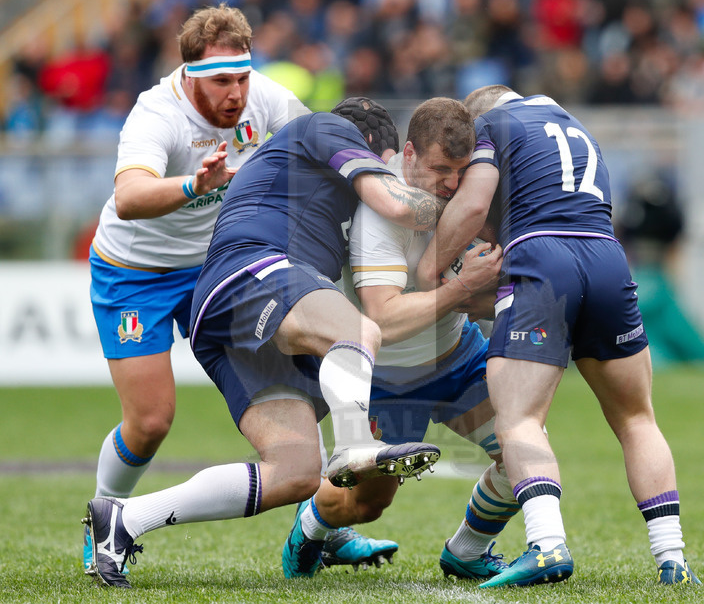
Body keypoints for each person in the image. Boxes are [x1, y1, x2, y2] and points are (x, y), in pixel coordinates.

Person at [83, 97, 444, 589]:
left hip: (239, 317)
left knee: (295, 473)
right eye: (385, 165)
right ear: (372, 150)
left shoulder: (315, 179)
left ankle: (123, 519)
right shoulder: (325, 127)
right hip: (252, 271)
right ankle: (355, 445)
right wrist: (458, 203)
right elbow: (394, 202)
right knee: (357, 331)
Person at [84, 3, 382, 577]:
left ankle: (327, 519)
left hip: (218, 269)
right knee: (150, 422)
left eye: (242, 77)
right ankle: (104, 516)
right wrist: (193, 183)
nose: (236, 93)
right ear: (188, 74)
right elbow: (129, 199)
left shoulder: (264, 97)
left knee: (297, 368)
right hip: (136, 273)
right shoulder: (155, 114)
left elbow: (315, 143)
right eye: (221, 80)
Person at [416, 85, 701, 587]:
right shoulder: (573, 126)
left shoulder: (491, 127)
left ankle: (547, 546)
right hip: (608, 258)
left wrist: (429, 269)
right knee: (637, 418)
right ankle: (672, 559)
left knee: (519, 418)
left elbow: (475, 206)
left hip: (545, 257)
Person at [280, 97, 517, 580]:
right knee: (365, 506)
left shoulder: (466, 195)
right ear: (407, 154)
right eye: (439, 169)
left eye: (460, 171)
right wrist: (464, 286)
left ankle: (467, 551)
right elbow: (382, 321)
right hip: (389, 376)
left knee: (525, 455)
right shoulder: (380, 210)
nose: (450, 184)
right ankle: (310, 528)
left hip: (456, 356)